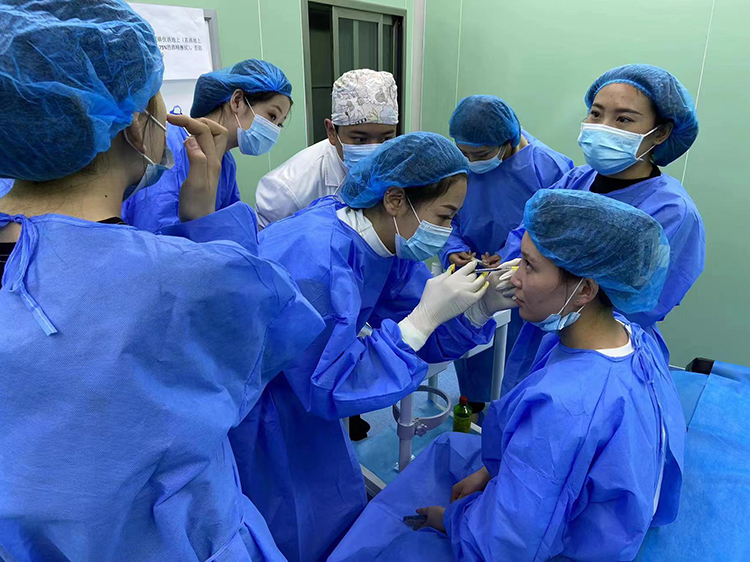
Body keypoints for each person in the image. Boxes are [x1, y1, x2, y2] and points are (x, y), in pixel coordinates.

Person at [0, 2, 324, 560]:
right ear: (132, 122)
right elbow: (264, 339)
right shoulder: (186, 280)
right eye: (156, 101)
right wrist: (209, 230)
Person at [329, 189, 686, 562]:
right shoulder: (630, 337)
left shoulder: (566, 408)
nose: (512, 275)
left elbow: (509, 544)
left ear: (584, 290)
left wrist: (451, 520)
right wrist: (487, 473)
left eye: (529, 266)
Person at [229, 132, 519, 562]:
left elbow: (422, 340)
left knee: (330, 506)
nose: (449, 231)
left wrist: (477, 312)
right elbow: (329, 386)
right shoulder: (316, 259)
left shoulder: (386, 245)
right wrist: (419, 321)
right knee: (284, 523)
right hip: (263, 409)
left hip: (307, 405)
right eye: (445, 215)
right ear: (396, 200)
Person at [501, 64, 705, 395]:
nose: (603, 127)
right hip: (543, 332)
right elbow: (526, 237)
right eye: (596, 114)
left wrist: (560, 303)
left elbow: (639, 303)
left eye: (623, 119)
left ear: (661, 132)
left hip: (602, 347)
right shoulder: (575, 181)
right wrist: (504, 269)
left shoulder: (672, 212)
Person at [439, 95, 573, 415]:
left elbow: (549, 228)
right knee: (472, 349)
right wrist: (453, 248)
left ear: (508, 141)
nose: (471, 162)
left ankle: (512, 411)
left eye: (481, 154)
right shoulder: (459, 164)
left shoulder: (551, 169)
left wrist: (510, 255)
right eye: (464, 153)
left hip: (524, 278)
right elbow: (445, 214)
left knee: (516, 358)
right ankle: (473, 401)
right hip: (470, 271)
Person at [122, 58, 293, 236]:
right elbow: (153, 233)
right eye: (272, 116)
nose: (273, 130)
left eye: (279, 125)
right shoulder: (171, 145)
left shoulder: (225, 162)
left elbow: (227, 230)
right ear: (237, 101)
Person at [254, 69, 398, 229]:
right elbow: (269, 249)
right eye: (360, 139)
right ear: (331, 131)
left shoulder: (399, 169)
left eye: (385, 139)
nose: (374, 151)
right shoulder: (286, 189)